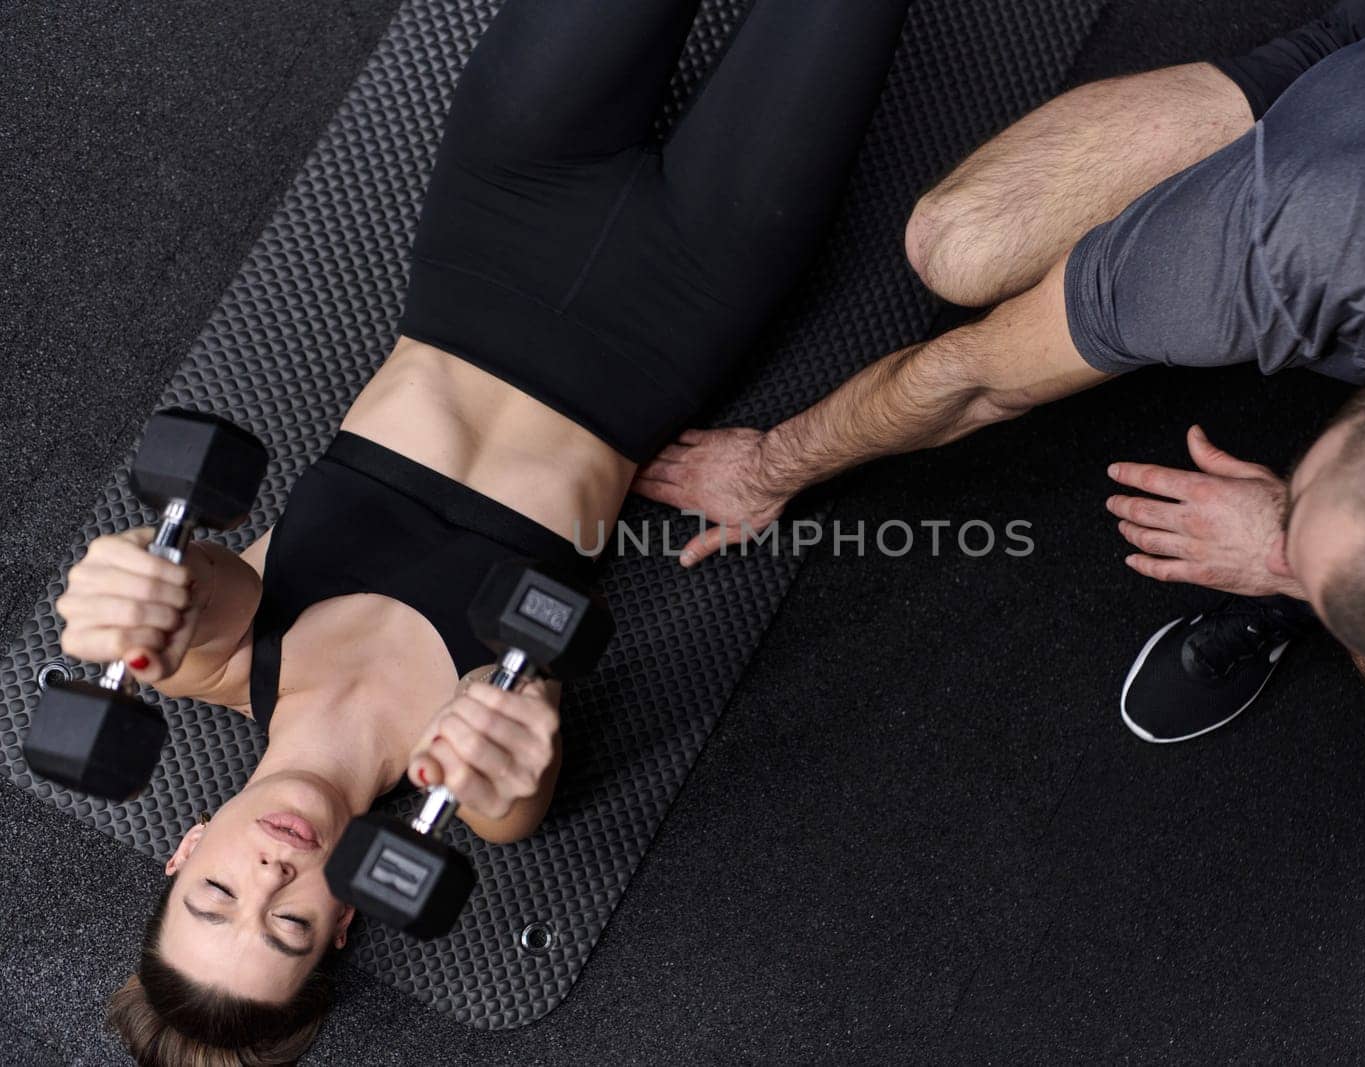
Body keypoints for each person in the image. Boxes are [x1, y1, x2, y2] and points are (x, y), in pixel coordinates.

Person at [69, 1, 911, 1062]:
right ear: (345, 918)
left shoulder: (212, 664)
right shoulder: (470, 772)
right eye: (285, 924)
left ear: (182, 851)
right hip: (692, 292)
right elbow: (519, 778)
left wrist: (140, 583)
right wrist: (517, 751)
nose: (270, 875)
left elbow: (196, 593)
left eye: (216, 894)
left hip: (500, 208)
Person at [637, 0, 1365, 745]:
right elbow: (974, 376)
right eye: (1301, 508)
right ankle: (1345, 58)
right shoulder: (1264, 246)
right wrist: (771, 466)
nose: (1287, 522)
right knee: (961, 246)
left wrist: (1281, 556)